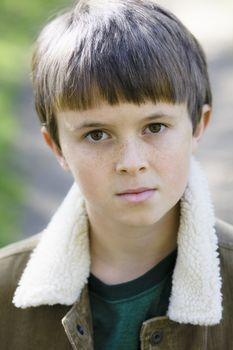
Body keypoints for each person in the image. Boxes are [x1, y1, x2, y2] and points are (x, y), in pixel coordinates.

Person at [0, 0, 232, 349]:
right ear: (57, 147)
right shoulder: (6, 289)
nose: (131, 162)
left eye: (154, 126)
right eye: (96, 135)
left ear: (198, 125)